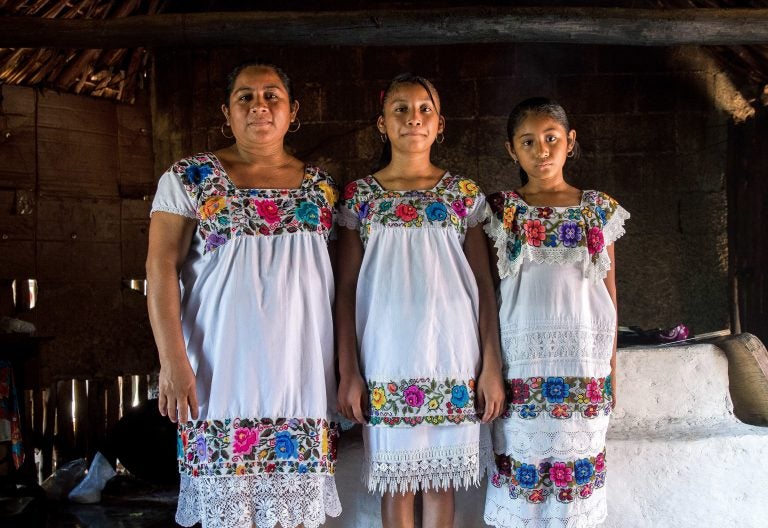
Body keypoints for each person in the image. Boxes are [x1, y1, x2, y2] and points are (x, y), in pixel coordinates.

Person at [146, 60, 341, 528]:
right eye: (245, 97)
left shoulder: (322, 188)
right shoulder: (191, 177)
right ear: (226, 112)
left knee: (292, 514)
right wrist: (173, 359)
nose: (260, 106)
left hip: (300, 376)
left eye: (272, 95)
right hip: (220, 374)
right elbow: (160, 266)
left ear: (293, 112)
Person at [335, 73, 505, 528]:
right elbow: (346, 290)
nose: (413, 118)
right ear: (382, 124)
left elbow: (484, 285)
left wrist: (490, 366)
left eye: (424, 109)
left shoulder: (463, 196)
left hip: (452, 357)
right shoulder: (360, 197)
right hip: (386, 360)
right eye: (400, 109)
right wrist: (349, 371)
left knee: (439, 484)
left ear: (440, 123)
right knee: (398, 484)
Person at [483, 97, 629, 527]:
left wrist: (612, 368)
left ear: (570, 141)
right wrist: (490, 366)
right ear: (512, 150)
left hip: (584, 366)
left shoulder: (598, 210)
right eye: (528, 141)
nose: (541, 150)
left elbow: (610, 291)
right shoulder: (501, 210)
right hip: (521, 367)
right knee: (523, 482)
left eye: (551, 138)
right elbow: (489, 293)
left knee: (572, 490)